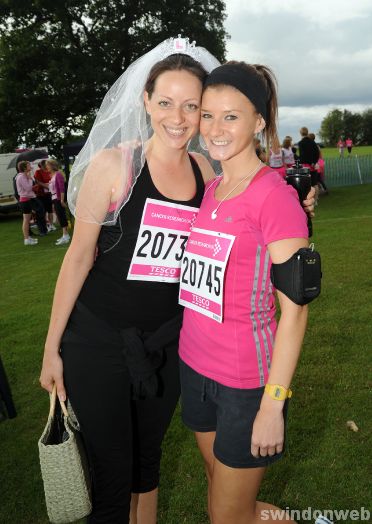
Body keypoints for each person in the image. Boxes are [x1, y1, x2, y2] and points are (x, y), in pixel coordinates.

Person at [39, 38, 314, 524]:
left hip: (190, 356)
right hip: (139, 352)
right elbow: (79, 257)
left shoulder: (210, 172)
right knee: (138, 482)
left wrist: (297, 212)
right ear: (145, 102)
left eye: (196, 107)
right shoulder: (146, 172)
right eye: (168, 103)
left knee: (175, 482)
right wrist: (51, 347)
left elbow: (269, 256)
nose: (185, 119)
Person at [178, 62, 310, 524]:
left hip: (245, 384)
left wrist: (273, 404)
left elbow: (294, 315)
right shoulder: (212, 189)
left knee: (226, 515)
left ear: (259, 123)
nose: (215, 128)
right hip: (193, 368)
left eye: (231, 116)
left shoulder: (274, 198)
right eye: (208, 115)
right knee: (224, 495)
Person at [15, 161, 47, 244]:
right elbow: (28, 188)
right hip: (25, 201)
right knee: (26, 220)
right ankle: (26, 239)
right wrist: (29, 179)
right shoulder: (21, 177)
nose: (30, 166)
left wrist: (30, 178)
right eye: (29, 165)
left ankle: (28, 238)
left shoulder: (24, 175)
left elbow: (30, 187)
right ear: (25, 168)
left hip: (28, 200)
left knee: (27, 220)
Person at [46, 159, 70, 245]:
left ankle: (66, 236)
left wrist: (62, 200)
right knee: (60, 217)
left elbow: (62, 189)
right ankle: (65, 235)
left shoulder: (58, 174)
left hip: (58, 198)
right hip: (54, 198)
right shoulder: (52, 175)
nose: (47, 167)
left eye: (48, 165)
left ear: (52, 166)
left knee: (61, 216)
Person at [34, 159, 56, 231]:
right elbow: (38, 182)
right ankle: (45, 225)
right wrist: (47, 186)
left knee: (50, 210)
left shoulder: (48, 171)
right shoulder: (38, 172)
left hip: (48, 193)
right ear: (42, 165)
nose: (46, 166)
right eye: (45, 165)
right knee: (43, 211)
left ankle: (51, 225)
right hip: (41, 194)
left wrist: (50, 186)